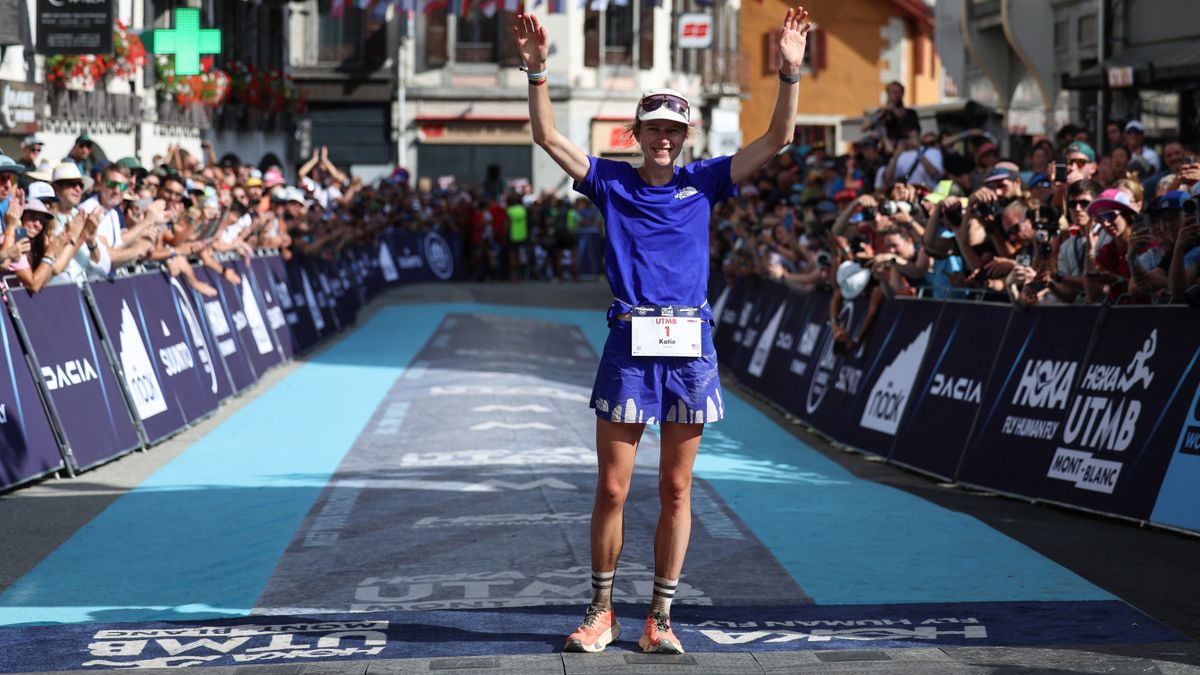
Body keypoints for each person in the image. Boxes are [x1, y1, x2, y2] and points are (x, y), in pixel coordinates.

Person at [513, 6, 812, 655]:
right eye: (654, 129)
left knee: (676, 486)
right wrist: (537, 72)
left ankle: (661, 617)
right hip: (629, 345)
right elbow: (548, 138)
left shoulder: (705, 181)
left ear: (686, 133)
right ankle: (601, 610)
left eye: (674, 130)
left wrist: (790, 74)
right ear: (638, 131)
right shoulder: (610, 182)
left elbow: (777, 142)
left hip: (690, 350)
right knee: (613, 486)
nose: (664, 140)